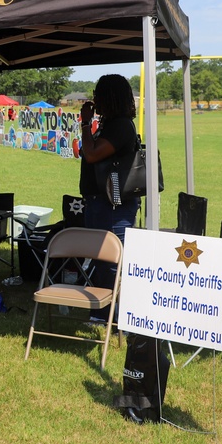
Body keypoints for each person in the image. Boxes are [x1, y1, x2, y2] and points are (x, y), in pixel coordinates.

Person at [79, 74, 141, 323]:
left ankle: (117, 316)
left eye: (98, 94)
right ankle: (102, 312)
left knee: (112, 261)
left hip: (114, 205)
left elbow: (92, 154)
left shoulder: (121, 126)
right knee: (101, 260)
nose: (95, 99)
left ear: (110, 97)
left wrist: (85, 124)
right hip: (100, 201)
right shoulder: (110, 123)